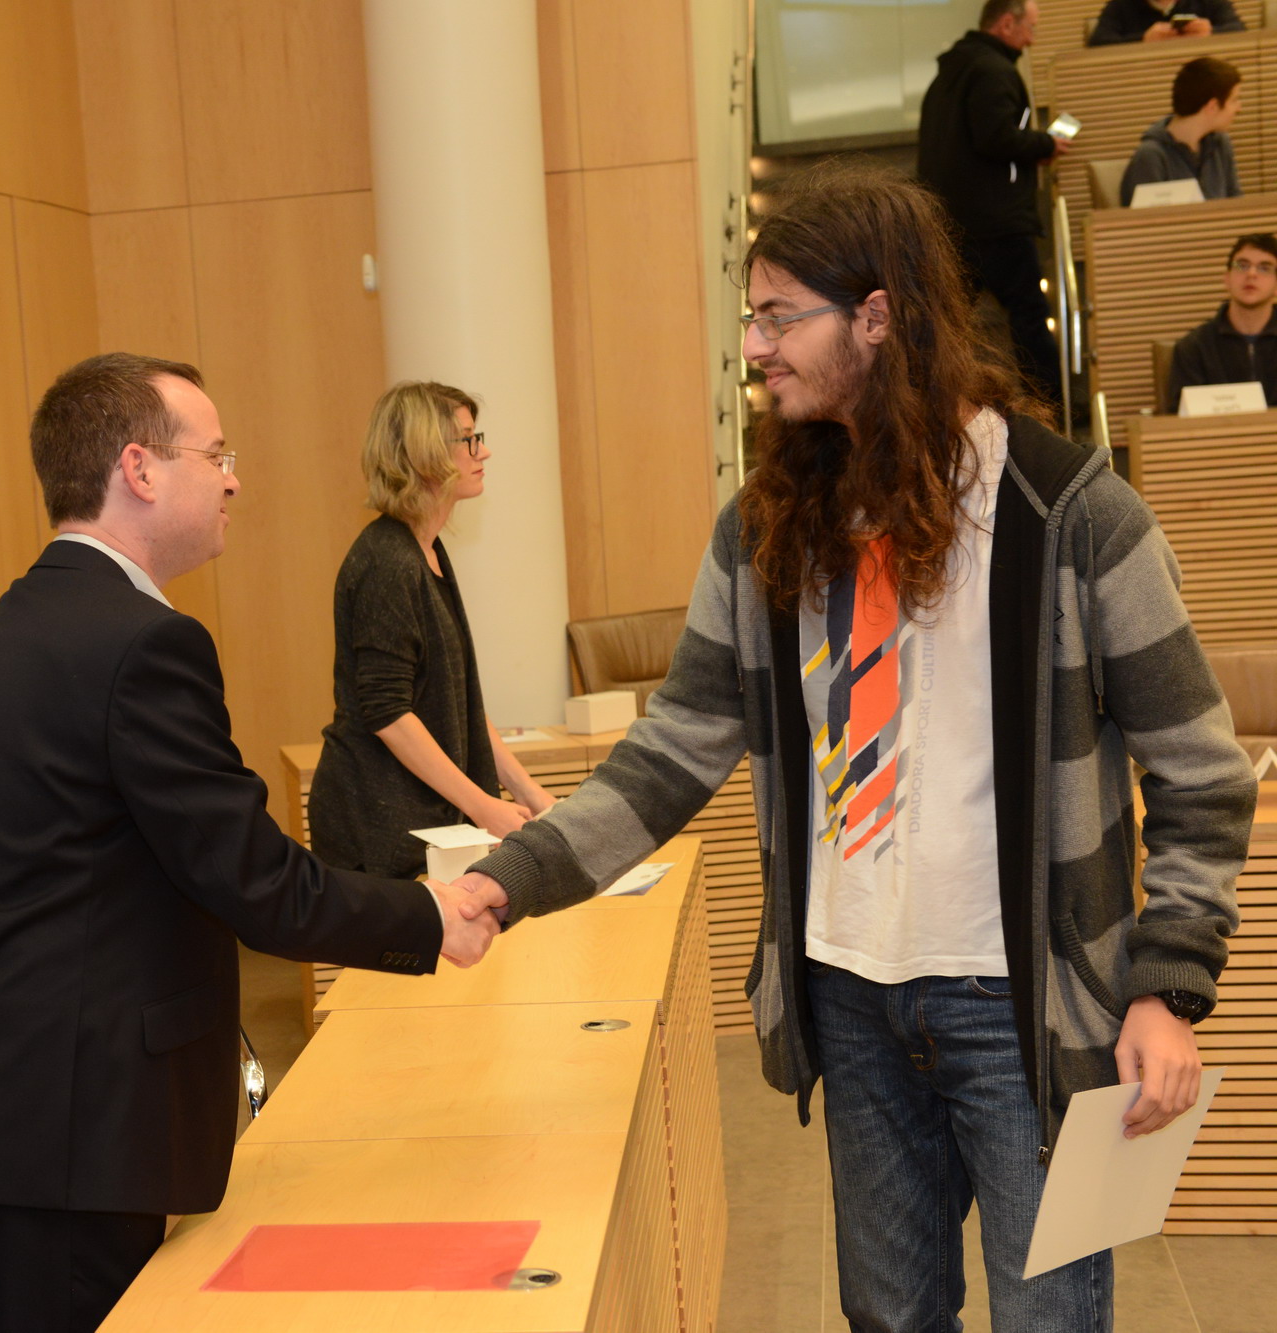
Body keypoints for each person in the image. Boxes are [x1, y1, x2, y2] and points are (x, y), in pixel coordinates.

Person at [450, 162, 1255, 1330]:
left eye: (778, 318)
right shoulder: (765, 530)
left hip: (1028, 1007)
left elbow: (1198, 771)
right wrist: (510, 876)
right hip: (851, 1001)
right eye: (751, 319)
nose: (753, 348)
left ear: (875, 317)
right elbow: (671, 748)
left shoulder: (1071, 513)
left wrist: (1165, 988)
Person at [0, 352, 501, 1333]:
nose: (233, 480)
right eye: (215, 454)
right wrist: (430, 916)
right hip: (82, 1125)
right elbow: (253, 881)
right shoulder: (142, 644)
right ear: (138, 469)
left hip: (15, 1113)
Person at [308, 381, 554, 877]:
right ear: (425, 456)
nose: (483, 451)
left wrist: (530, 794)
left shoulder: (427, 551)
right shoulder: (388, 562)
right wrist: (484, 807)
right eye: (468, 439)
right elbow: (389, 714)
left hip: (414, 819)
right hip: (376, 823)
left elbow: (459, 703)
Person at [916, 0, 1067, 406]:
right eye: (1030, 27)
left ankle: (935, 403)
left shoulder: (949, 74)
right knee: (1029, 316)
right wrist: (1045, 144)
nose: (1032, 39)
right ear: (1006, 24)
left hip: (951, 221)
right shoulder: (993, 70)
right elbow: (995, 136)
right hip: (998, 222)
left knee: (947, 324)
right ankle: (1050, 406)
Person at [1166, 232, 1277, 410]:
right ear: (1227, 278)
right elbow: (1182, 419)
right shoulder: (1194, 347)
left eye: (1264, 268)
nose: (1251, 274)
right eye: (1242, 266)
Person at [1119, 56, 1244, 205]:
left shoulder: (1221, 144)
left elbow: (1235, 203)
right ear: (1212, 106)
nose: (1239, 108)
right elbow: (1143, 217)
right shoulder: (1150, 156)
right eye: (1234, 100)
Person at [1089, 0, 1243, 45]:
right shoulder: (1121, 5)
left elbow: (1239, 30)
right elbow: (1099, 42)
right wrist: (1143, 39)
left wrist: (1210, 32)